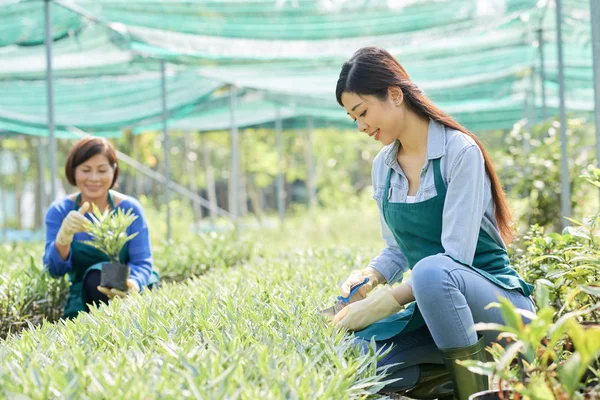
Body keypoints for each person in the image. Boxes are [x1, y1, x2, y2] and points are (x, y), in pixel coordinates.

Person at [331, 47, 535, 400]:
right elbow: (397, 249)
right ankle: (452, 380)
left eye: (362, 112)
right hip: (437, 311)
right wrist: (370, 277)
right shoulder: (384, 165)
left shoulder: (460, 152)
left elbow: (453, 259)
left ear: (394, 95)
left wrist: (384, 302)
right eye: (353, 119)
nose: (361, 126)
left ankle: (480, 389)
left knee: (430, 272)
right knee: (356, 351)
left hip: (496, 307)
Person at [43, 136, 159, 319]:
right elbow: (54, 271)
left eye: (102, 170)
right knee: (96, 276)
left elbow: (142, 261)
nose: (94, 178)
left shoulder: (130, 208)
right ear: (73, 172)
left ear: (114, 171)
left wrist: (133, 285)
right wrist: (63, 239)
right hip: (84, 296)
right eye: (86, 170)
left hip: (132, 290)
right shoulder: (59, 211)